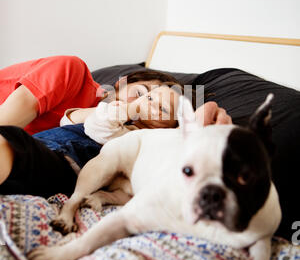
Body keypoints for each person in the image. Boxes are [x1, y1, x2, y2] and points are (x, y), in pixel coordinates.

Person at [0, 65, 232, 198]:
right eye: (144, 94)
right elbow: (79, 119)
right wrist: (128, 108)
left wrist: (190, 128)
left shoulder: (140, 137)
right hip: (44, 151)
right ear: (121, 84)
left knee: (9, 144)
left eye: (162, 108)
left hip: (62, 163)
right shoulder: (105, 111)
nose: (147, 104)